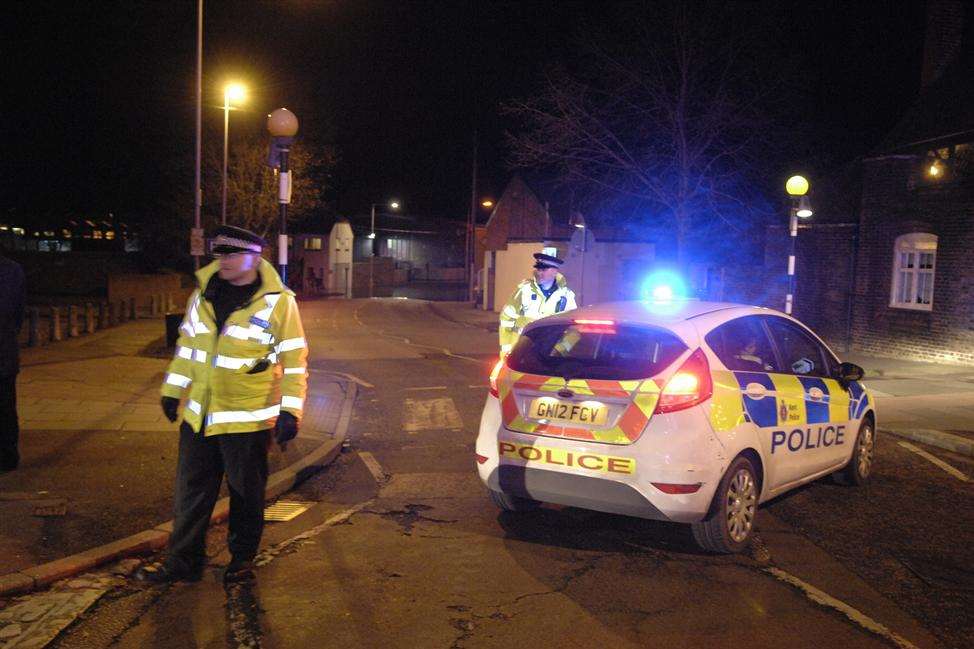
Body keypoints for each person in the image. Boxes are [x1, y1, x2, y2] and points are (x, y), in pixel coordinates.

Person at [136, 225, 308, 584]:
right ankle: (183, 563)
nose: (223, 261)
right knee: (191, 495)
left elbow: (293, 359)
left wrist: (291, 410)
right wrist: (173, 390)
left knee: (246, 495)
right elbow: (187, 348)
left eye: (231, 254)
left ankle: (242, 560)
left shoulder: (279, 301)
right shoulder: (203, 295)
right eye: (219, 254)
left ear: (255, 257)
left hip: (247, 420)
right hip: (199, 416)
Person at [499, 252, 577, 355]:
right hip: (520, 351)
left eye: (544, 270)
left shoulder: (566, 296)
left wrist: (560, 350)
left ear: (555, 272)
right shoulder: (524, 290)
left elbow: (574, 329)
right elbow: (506, 319)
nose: (539, 273)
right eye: (538, 269)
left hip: (549, 355)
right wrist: (506, 350)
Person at [0, 253, 26, 472]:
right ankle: (8, 456)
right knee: (6, 406)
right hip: (5, 349)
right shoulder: (12, 270)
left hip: (5, 349)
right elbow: (17, 311)